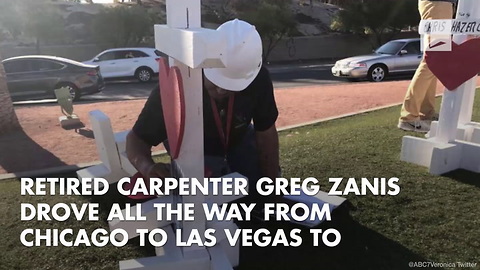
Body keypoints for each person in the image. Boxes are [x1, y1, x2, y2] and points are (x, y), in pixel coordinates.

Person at [126, 19, 279, 198]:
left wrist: (272, 184)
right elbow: (136, 140)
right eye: (217, 81)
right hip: (193, 146)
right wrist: (148, 168)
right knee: (202, 196)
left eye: (233, 85)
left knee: (257, 186)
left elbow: (266, 132)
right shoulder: (175, 86)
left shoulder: (258, 78)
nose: (222, 89)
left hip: (239, 138)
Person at [398, 0, 456, 133]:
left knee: (434, 62)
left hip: (439, 5)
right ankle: (409, 117)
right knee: (433, 60)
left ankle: (426, 113)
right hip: (437, 5)